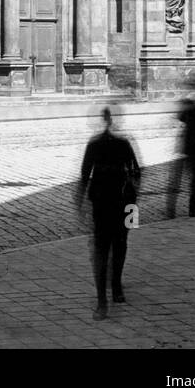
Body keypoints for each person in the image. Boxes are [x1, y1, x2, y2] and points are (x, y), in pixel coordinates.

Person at [78, 106, 142, 320]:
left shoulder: (103, 144)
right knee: (114, 245)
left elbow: (84, 176)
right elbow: (136, 172)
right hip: (114, 202)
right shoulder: (111, 143)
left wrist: (80, 205)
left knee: (108, 247)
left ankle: (108, 295)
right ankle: (110, 293)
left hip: (112, 202)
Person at [166, 79, 195, 218]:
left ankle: (185, 211)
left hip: (188, 148)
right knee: (189, 181)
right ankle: (182, 211)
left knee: (189, 181)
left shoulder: (192, 103)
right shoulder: (190, 103)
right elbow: (181, 121)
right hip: (189, 148)